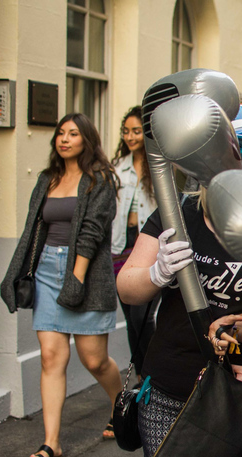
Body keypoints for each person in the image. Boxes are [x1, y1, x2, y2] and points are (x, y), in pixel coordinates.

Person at [116, 106, 242, 457]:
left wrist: (232, 328)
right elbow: (127, 287)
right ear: (211, 157)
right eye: (234, 146)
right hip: (171, 393)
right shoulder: (179, 213)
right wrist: (157, 274)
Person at [0, 113, 121, 457]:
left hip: (85, 272)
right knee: (52, 357)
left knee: (94, 360)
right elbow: (32, 229)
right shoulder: (47, 178)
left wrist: (77, 279)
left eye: (73, 133)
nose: (64, 139)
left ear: (87, 140)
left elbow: (92, 231)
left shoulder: (99, 179)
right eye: (60, 133)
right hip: (47, 272)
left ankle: (120, 404)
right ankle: (51, 443)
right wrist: (21, 270)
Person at [111, 106, 158, 378]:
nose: (130, 137)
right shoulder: (117, 168)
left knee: (142, 316)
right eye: (126, 131)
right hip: (120, 245)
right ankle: (142, 375)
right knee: (130, 318)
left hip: (147, 244)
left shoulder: (160, 166)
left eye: (137, 131)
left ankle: (152, 373)